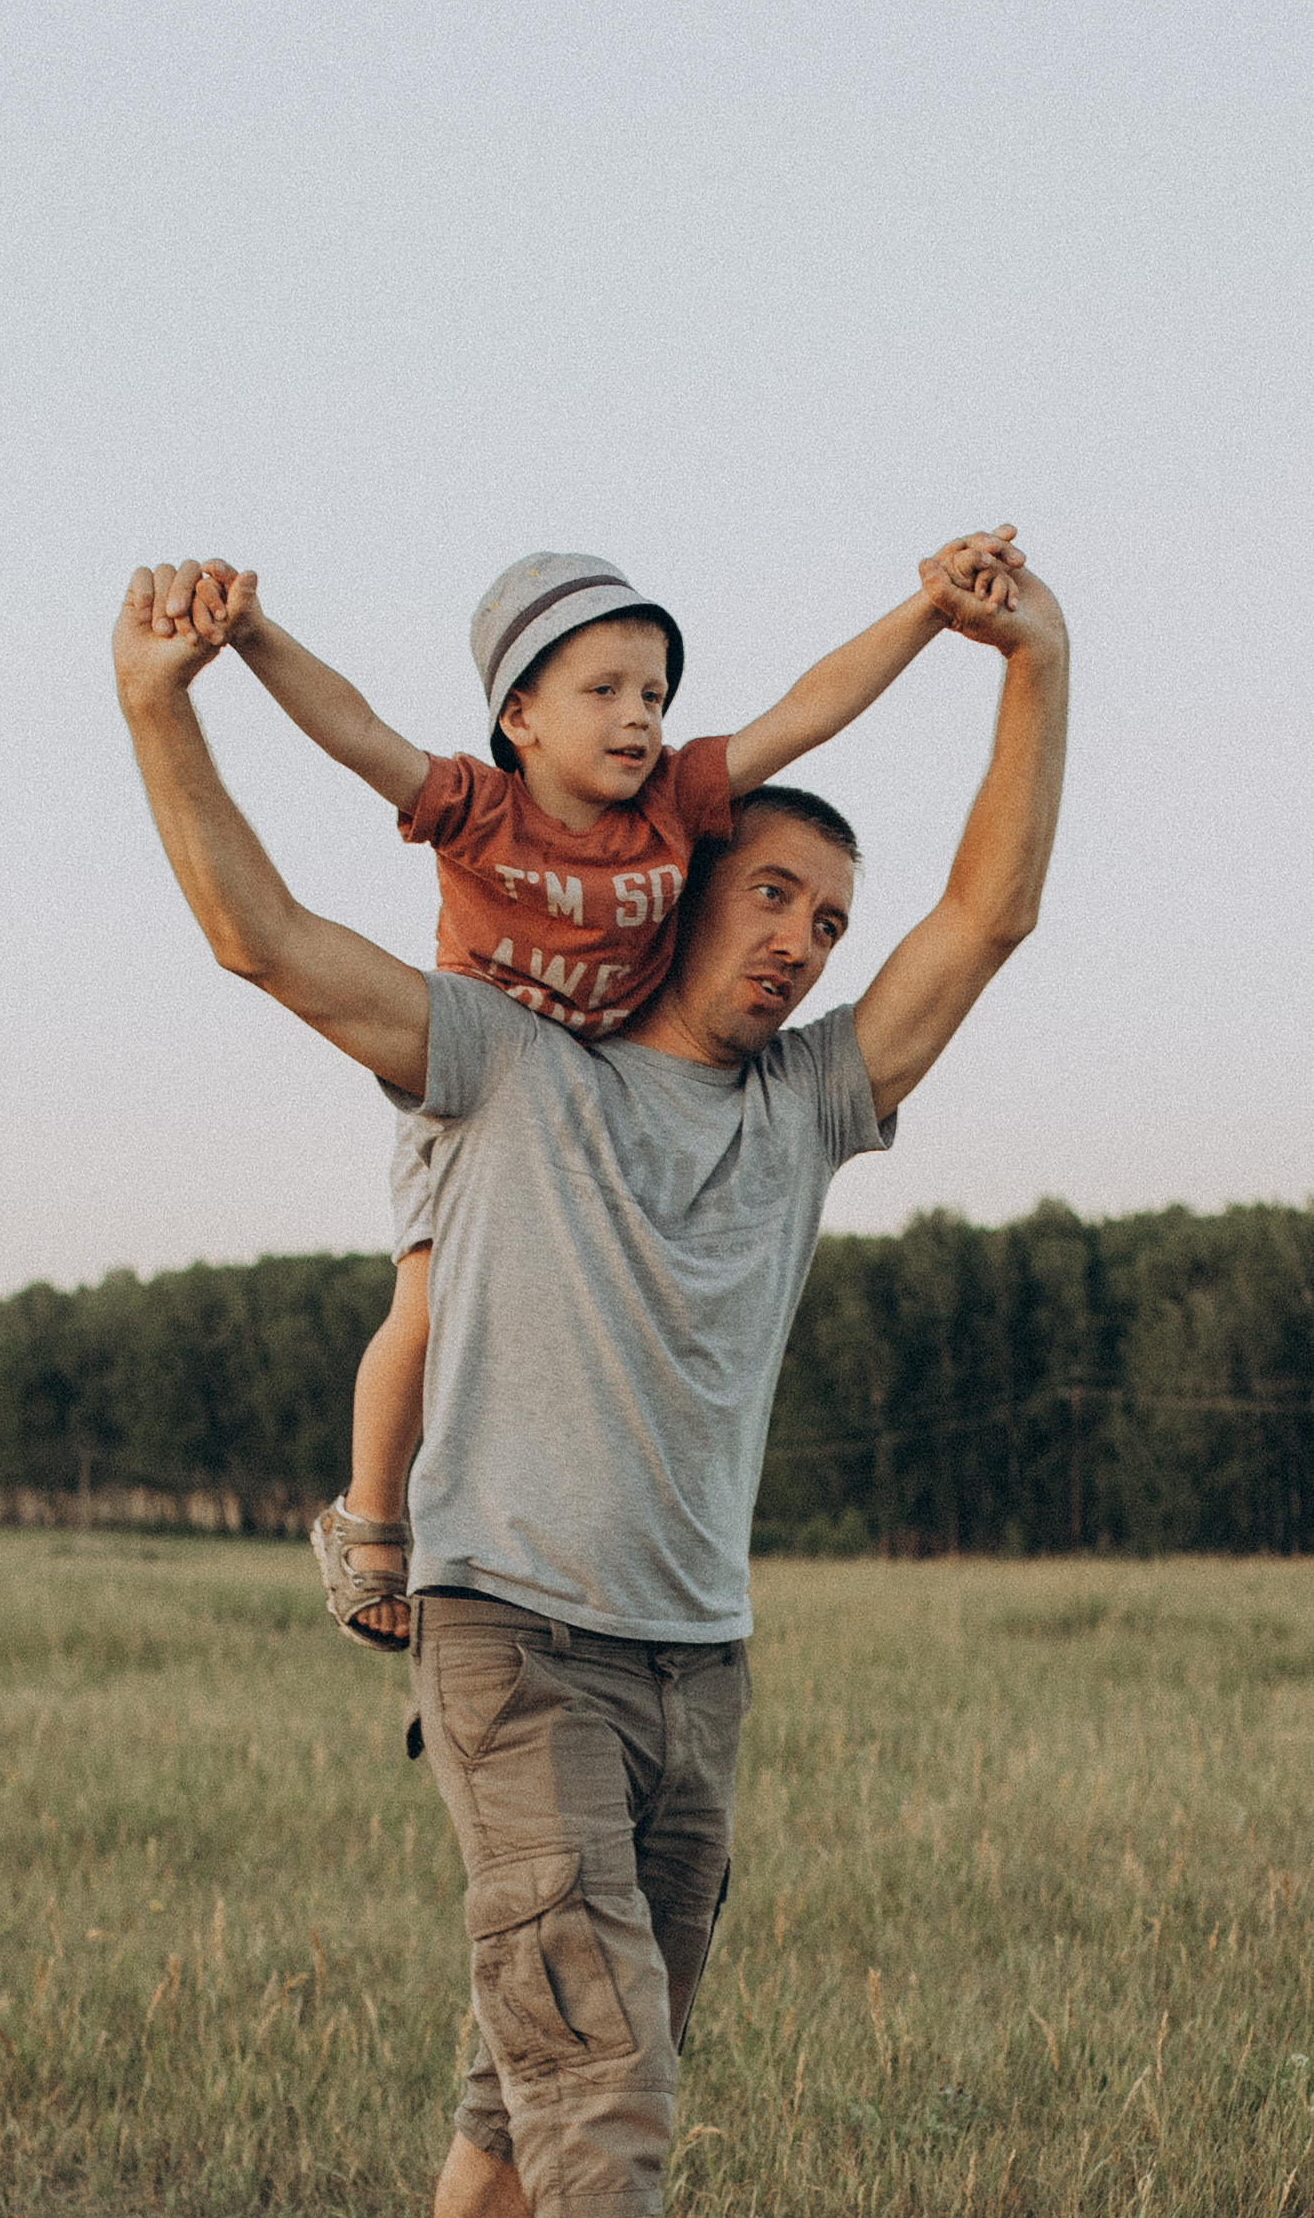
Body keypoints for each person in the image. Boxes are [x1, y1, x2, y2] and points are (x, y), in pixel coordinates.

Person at [112, 544, 1068, 2218]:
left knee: (529, 2053)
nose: (804, 947)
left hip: (692, 1652)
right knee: (589, 2046)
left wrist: (1031, 665)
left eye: (826, 920)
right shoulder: (502, 1068)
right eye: (772, 899)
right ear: (676, 877)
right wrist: (156, 704)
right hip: (509, 1628)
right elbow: (256, 930)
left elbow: (985, 910)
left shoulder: (809, 1111)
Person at [186, 534, 1025, 1651]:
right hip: (483, 1083)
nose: (638, 716)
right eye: (604, 691)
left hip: (596, 1081)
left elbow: (808, 709)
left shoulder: (675, 803)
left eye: (654, 693)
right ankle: (371, 1514)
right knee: (425, 1303)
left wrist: (926, 611)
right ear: (519, 714)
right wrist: (247, 635)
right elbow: (351, 733)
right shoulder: (476, 808)